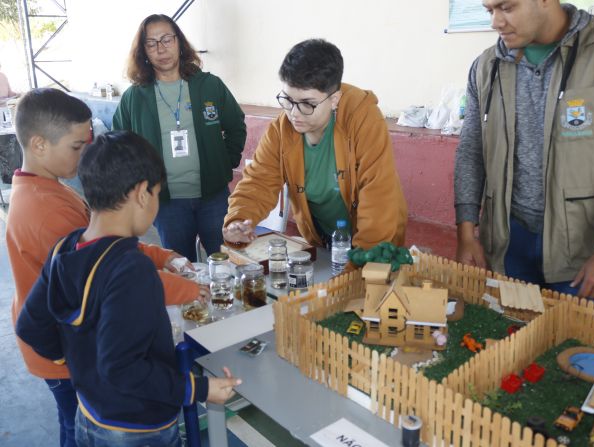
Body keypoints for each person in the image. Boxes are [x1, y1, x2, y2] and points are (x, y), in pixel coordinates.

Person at [16, 130, 241, 447]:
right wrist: (199, 389)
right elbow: (122, 368)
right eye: (158, 192)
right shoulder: (132, 269)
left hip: (90, 414)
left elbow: (30, 325)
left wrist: (77, 362)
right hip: (137, 429)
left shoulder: (64, 249)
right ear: (142, 194)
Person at [454, 0, 594, 308]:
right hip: (508, 242)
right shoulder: (486, 66)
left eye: (506, 7)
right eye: (488, 10)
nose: (495, 21)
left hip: (584, 248)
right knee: (506, 342)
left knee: (574, 348)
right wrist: (466, 231)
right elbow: (471, 150)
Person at [223, 38, 407, 251]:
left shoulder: (364, 119)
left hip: (374, 244)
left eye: (307, 104)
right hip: (323, 242)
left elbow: (378, 197)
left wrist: (363, 261)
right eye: (287, 100)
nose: (294, 113)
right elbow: (259, 183)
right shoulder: (280, 130)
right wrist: (239, 219)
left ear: (335, 99)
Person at [113, 14, 247, 262]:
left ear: (179, 42)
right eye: (151, 43)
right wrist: (141, 184)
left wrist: (224, 162)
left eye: (166, 39)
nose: (161, 49)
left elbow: (236, 125)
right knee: (181, 268)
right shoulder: (135, 97)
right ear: (143, 51)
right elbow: (119, 145)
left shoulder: (209, 85)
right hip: (167, 203)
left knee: (227, 262)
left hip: (213, 197)